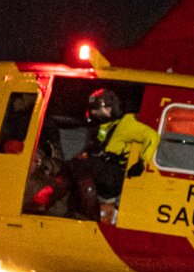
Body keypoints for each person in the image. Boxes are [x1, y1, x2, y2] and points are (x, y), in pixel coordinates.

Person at [68, 88, 159, 220]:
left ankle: (91, 212)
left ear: (111, 108)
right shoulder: (105, 126)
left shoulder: (126, 124)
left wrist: (141, 162)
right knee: (73, 165)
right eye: (94, 110)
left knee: (79, 165)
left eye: (98, 109)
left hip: (113, 176)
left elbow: (152, 137)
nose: (94, 113)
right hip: (105, 173)